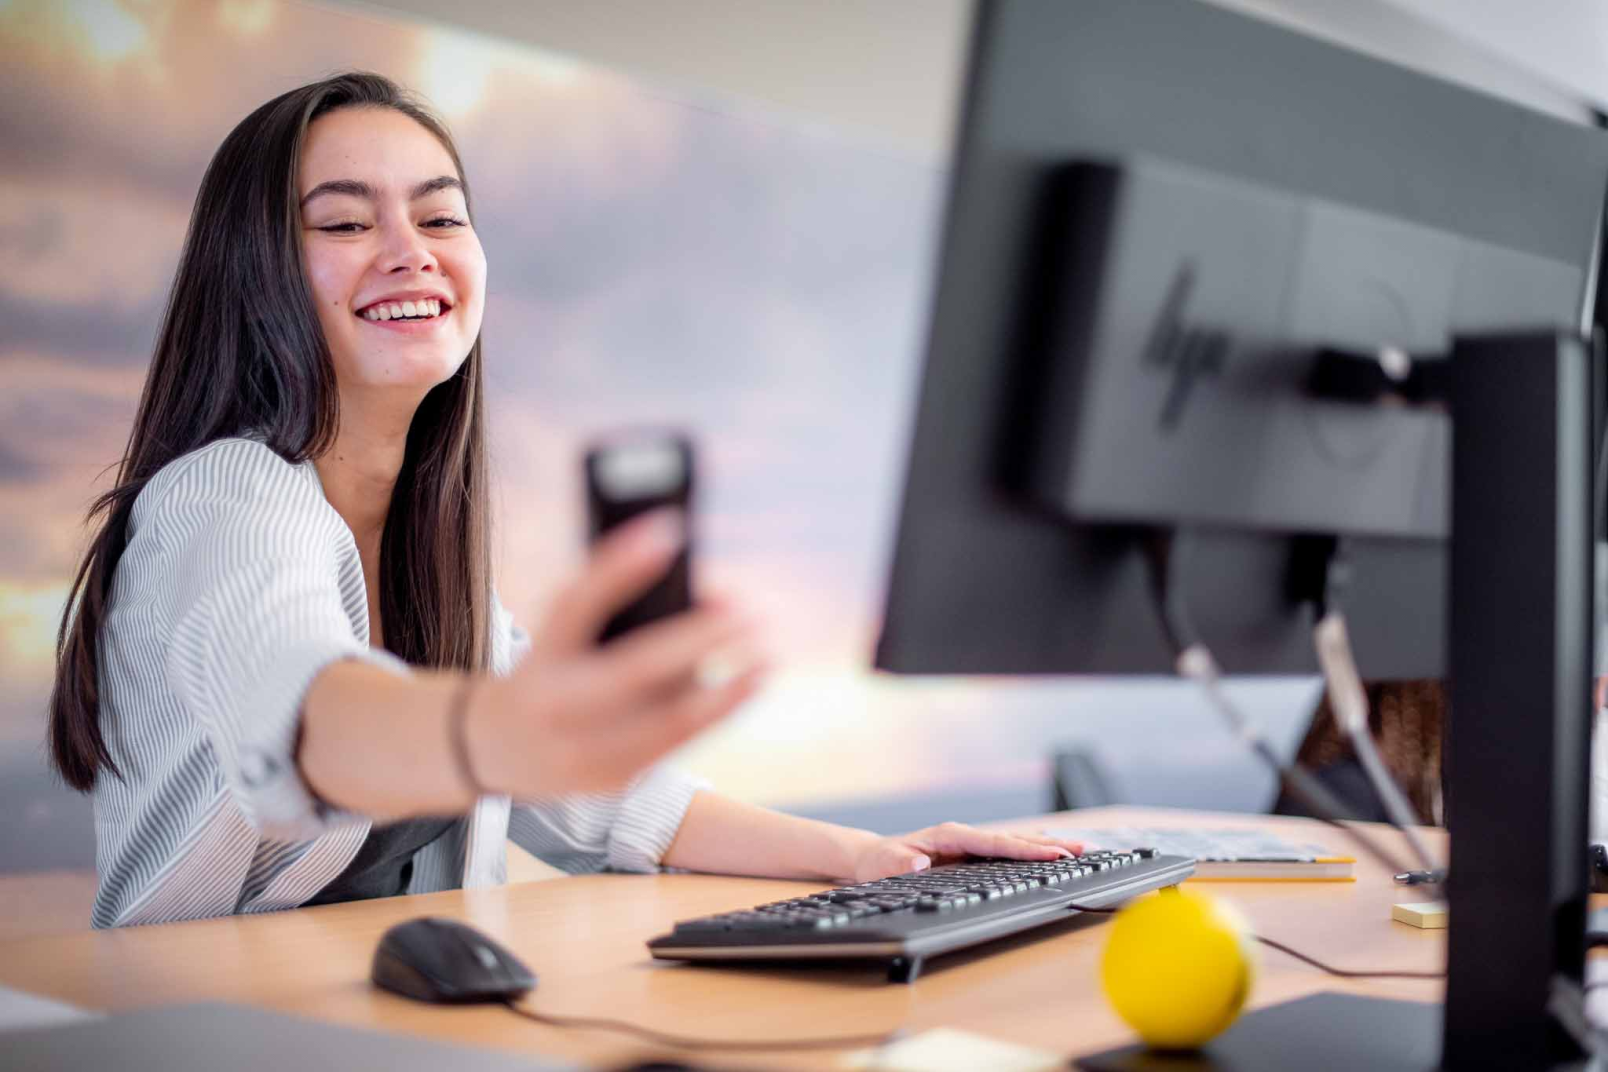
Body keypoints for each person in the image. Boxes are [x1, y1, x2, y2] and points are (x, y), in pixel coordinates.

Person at [47, 73, 1080, 929]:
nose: (411, 248)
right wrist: (493, 732)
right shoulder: (220, 500)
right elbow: (306, 710)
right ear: (253, 272)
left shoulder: (429, 550)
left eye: (442, 214)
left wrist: (881, 858)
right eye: (347, 220)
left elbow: (612, 801)